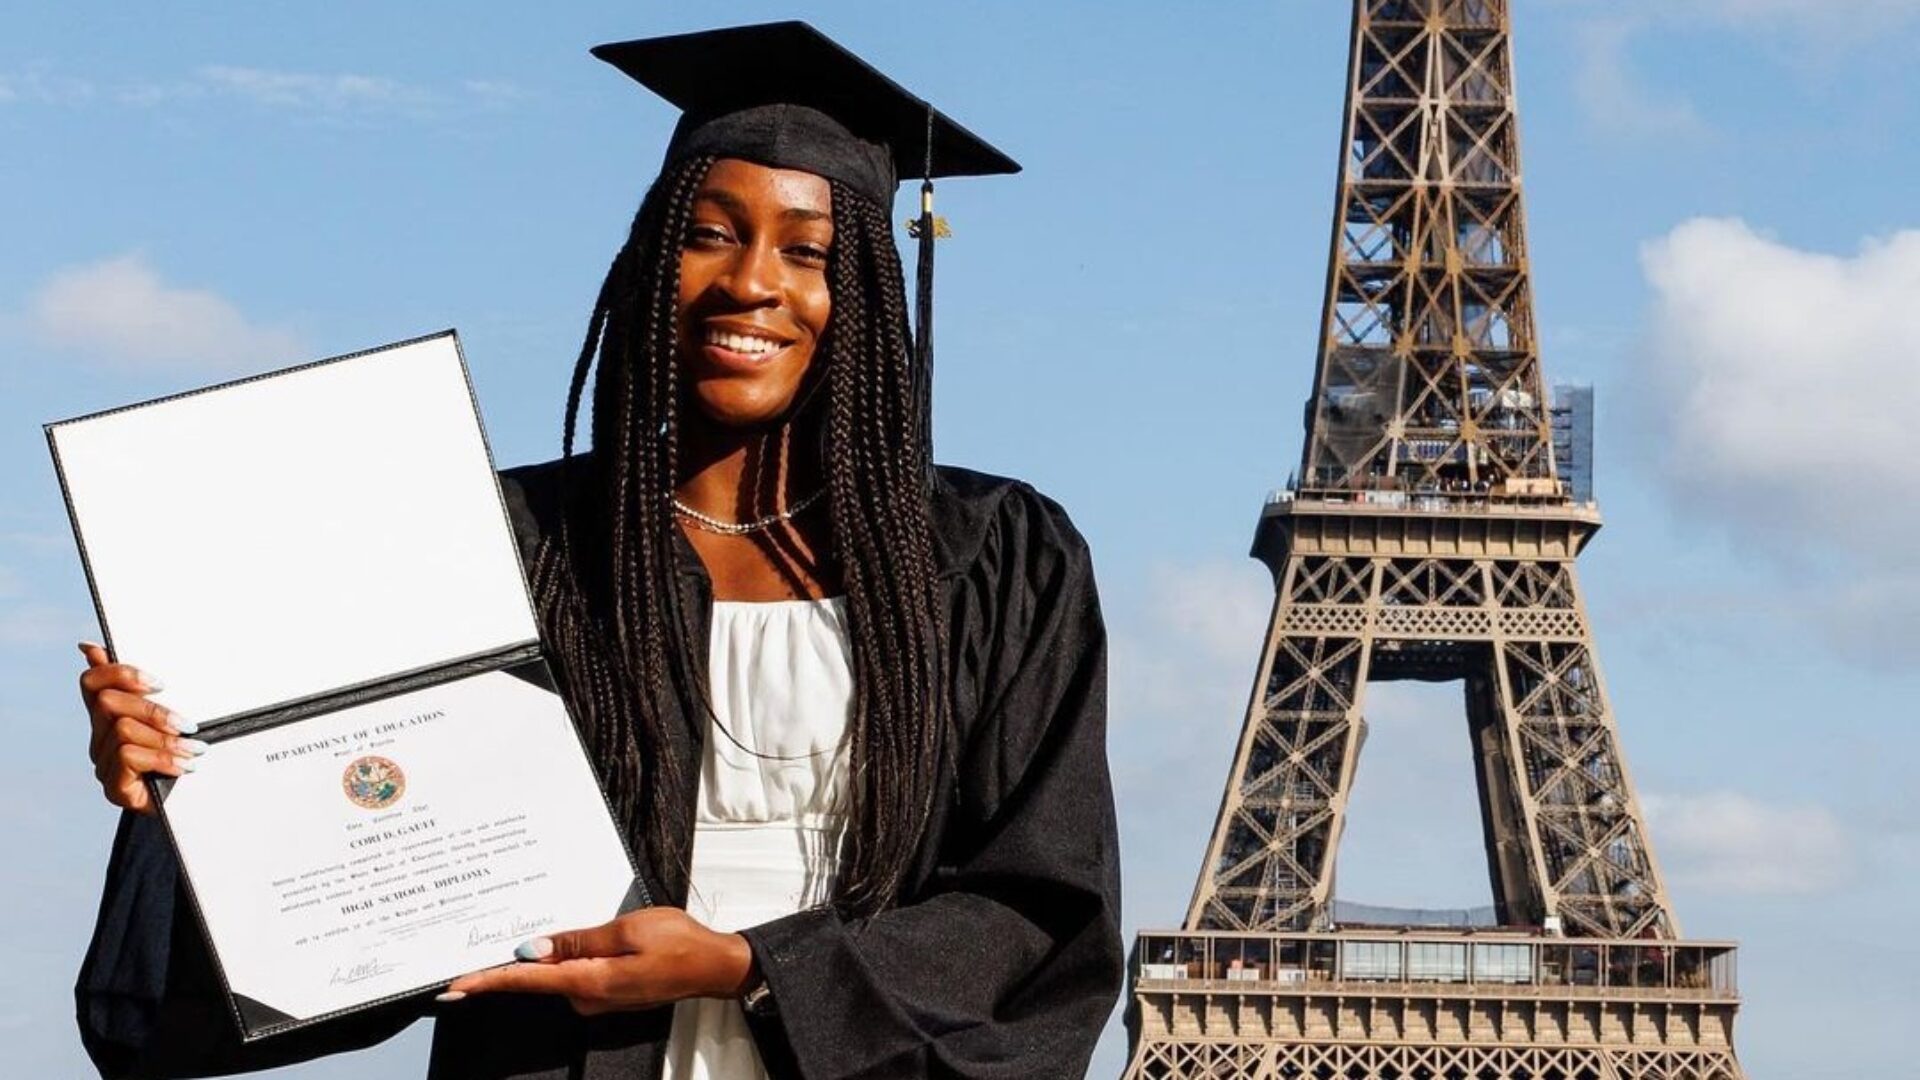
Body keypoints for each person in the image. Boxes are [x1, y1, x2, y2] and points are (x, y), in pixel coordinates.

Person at [71, 21, 1122, 1080]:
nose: (751, 282)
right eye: (710, 235)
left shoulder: (995, 560)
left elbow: (1036, 913)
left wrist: (749, 966)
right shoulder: (499, 547)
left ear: (863, 299)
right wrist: (184, 777)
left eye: (806, 251)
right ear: (649, 261)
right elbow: (329, 866)